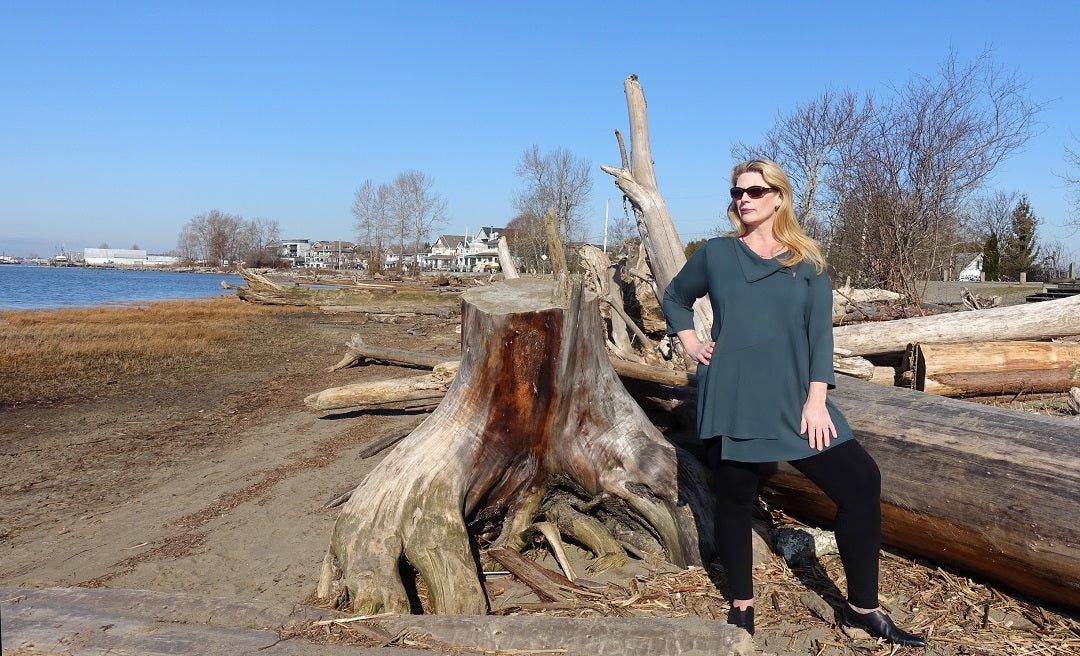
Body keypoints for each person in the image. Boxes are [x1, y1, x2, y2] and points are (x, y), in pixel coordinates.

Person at [662, 159, 925, 647]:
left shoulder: (807, 265)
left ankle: (862, 607)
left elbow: (818, 338)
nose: (744, 199)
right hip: (733, 395)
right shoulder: (716, 255)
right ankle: (742, 605)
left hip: (795, 399)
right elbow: (675, 296)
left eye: (756, 191)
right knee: (737, 499)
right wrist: (690, 343)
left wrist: (818, 400)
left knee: (861, 482)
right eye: (738, 191)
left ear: (779, 197)